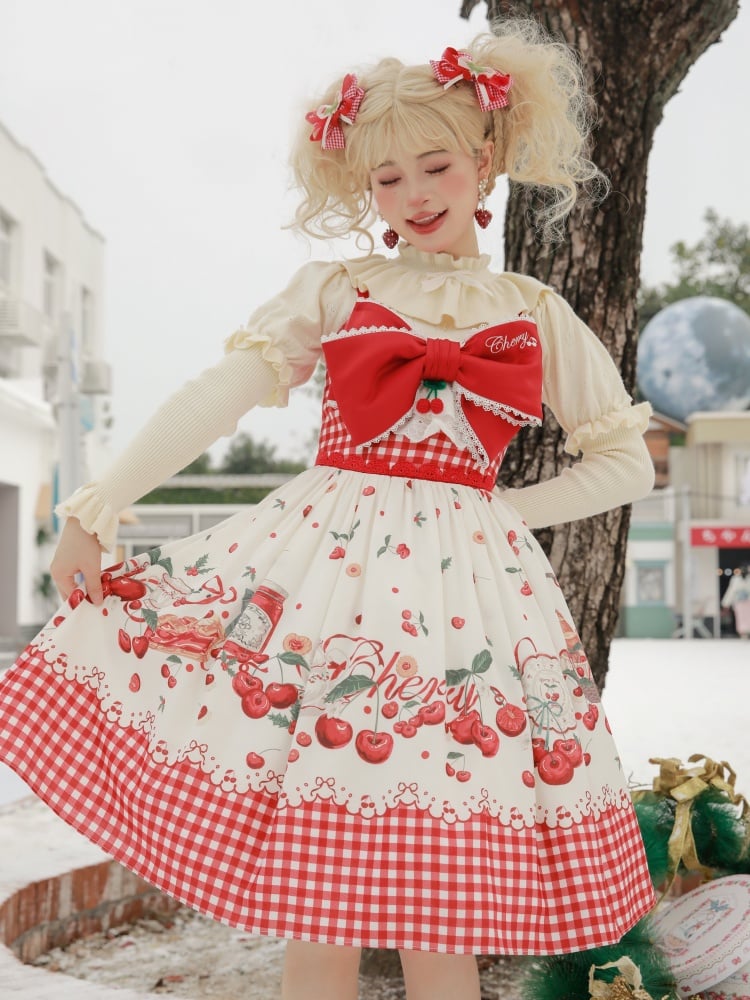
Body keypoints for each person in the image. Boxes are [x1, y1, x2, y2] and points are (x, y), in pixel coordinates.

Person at [0, 18, 657, 1000]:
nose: (415, 196)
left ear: (486, 159)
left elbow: (625, 461)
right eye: (386, 179)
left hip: (465, 601)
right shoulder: (339, 289)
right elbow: (217, 394)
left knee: (443, 902)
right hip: (327, 584)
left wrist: (514, 509)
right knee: (320, 896)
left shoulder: (533, 311)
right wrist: (98, 503)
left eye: (433, 166)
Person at [722, 565, 750, 639]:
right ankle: (743, 633)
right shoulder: (735, 579)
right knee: (740, 617)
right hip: (739, 602)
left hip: (748, 601)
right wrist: (726, 603)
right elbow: (731, 591)